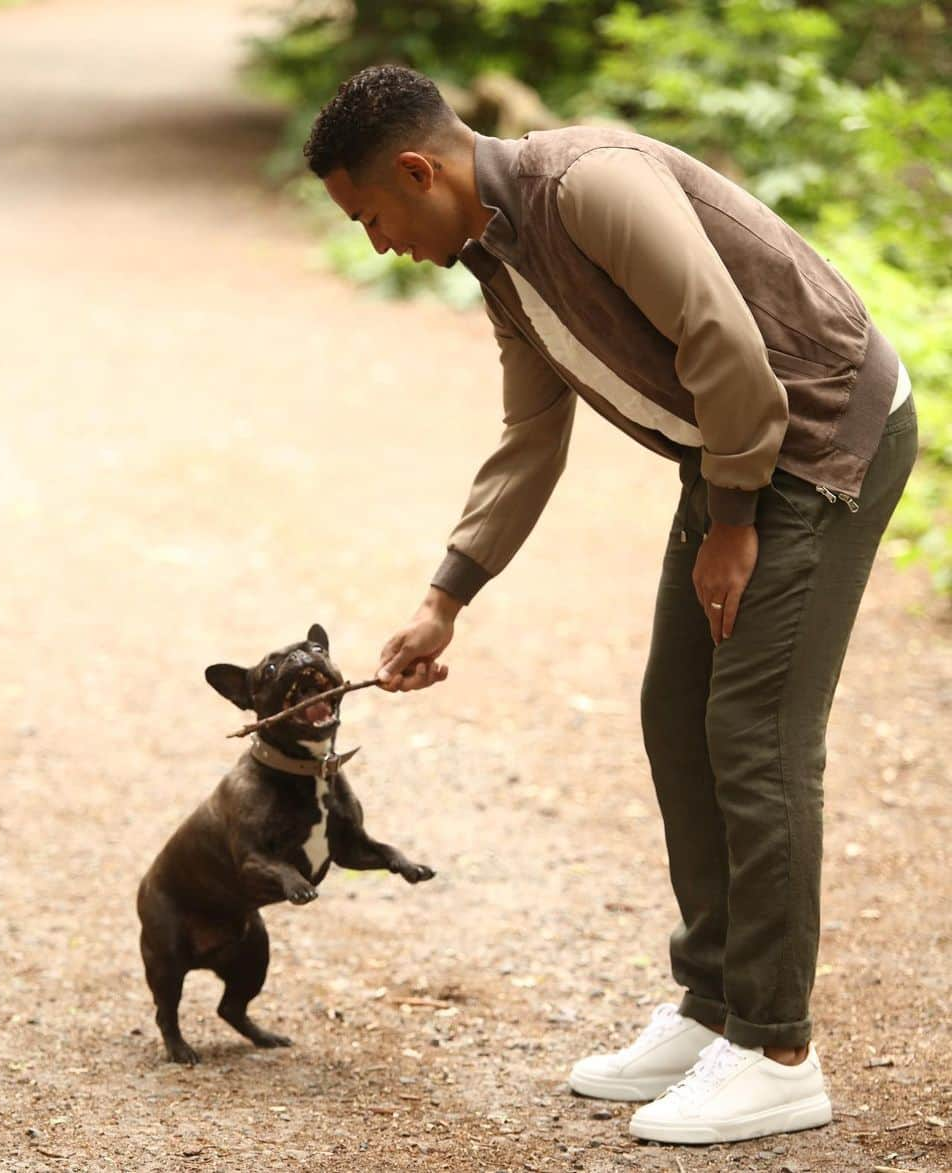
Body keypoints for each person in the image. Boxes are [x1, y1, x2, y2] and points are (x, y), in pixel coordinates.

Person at [302, 64, 917, 1145]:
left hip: (820, 441)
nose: (377, 241)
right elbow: (531, 438)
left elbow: (728, 346)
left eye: (372, 215)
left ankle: (778, 1052)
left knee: (755, 730)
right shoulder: (497, 259)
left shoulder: (586, 185)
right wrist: (446, 599)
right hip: (734, 453)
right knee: (676, 716)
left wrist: (733, 525)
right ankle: (715, 1004)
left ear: (417, 169)